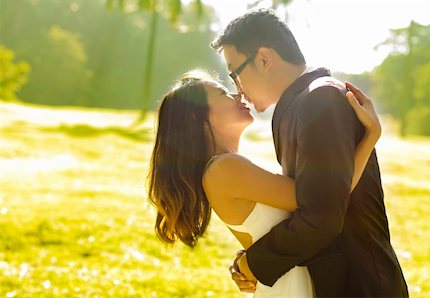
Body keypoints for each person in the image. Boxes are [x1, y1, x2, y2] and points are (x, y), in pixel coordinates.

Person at [210, 8, 408, 297]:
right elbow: (303, 201)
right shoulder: (294, 107)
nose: (237, 89)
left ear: (264, 58)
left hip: (361, 284)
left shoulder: (321, 99)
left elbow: (321, 217)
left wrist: (255, 263)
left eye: (235, 73)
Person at [148, 69, 382, 297]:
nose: (237, 94)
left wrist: (248, 261)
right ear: (198, 117)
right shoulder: (225, 169)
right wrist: (370, 135)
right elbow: (325, 199)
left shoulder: (226, 167)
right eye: (223, 94)